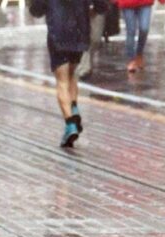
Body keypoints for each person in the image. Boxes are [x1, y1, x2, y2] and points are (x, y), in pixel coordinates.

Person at [30, 0, 107, 147]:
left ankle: (70, 124)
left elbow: (36, 10)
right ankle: (74, 108)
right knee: (72, 75)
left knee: (62, 81)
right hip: (80, 32)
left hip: (58, 33)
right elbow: (101, 5)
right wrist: (91, 12)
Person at [116, 0, 158, 72]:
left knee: (144, 28)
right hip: (127, 3)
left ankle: (139, 53)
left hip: (145, 2)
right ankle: (131, 59)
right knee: (131, 30)